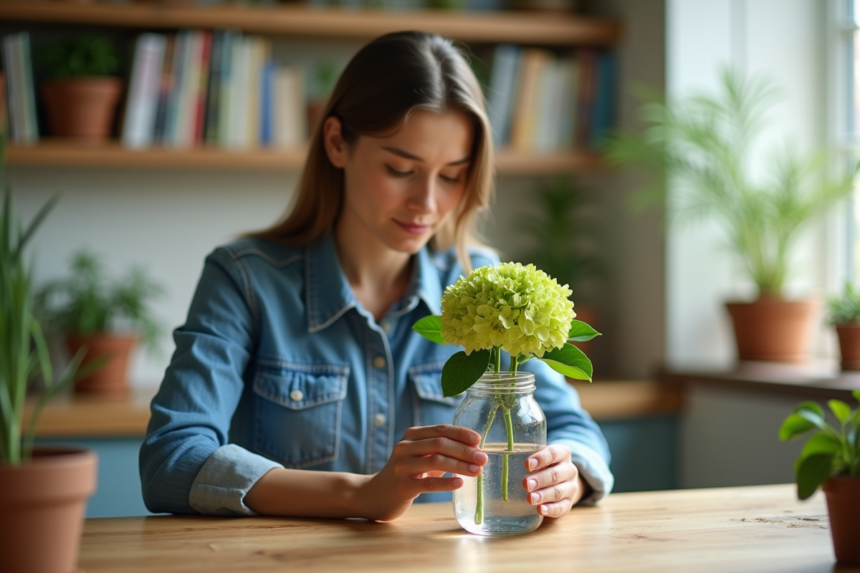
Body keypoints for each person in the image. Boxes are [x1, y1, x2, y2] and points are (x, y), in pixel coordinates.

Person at [139, 31, 613, 521]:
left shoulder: (486, 286)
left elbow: (578, 433)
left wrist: (568, 475)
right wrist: (362, 495)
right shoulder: (244, 280)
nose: (427, 204)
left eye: (452, 175)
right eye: (400, 168)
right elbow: (170, 460)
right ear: (337, 142)